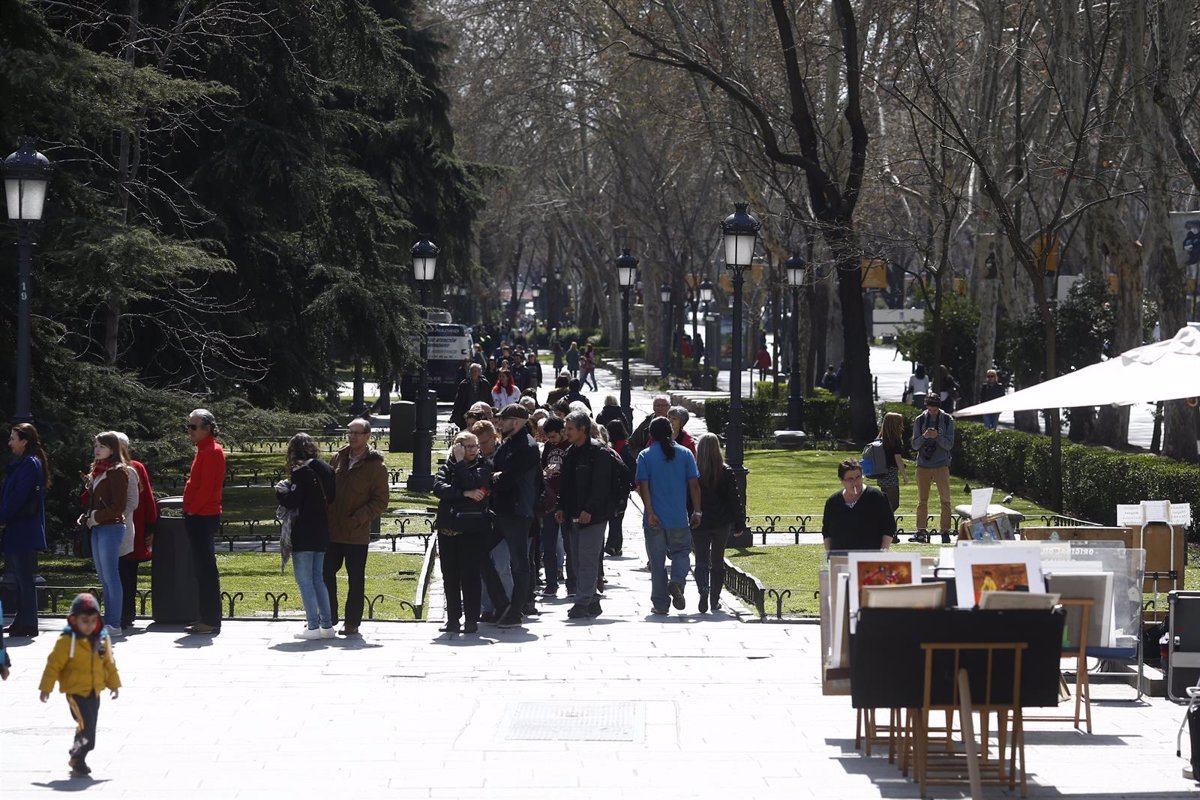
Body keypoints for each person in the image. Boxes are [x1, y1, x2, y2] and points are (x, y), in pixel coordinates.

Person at [38, 593, 121, 777]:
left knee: (88, 727)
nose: (89, 625)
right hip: (75, 691)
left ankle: (77, 753)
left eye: (93, 621)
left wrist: (113, 684)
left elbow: (108, 663)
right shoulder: (67, 641)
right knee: (87, 730)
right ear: (74, 620)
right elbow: (54, 664)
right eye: (85, 621)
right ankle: (77, 759)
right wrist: (46, 688)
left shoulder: (101, 639)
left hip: (94, 690)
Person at [324, 418, 389, 637]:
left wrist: (358, 518)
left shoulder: (376, 466)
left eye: (357, 433)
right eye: (349, 432)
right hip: (333, 530)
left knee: (355, 578)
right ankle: (329, 617)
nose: (352, 436)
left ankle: (352, 622)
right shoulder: (338, 457)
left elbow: (381, 501)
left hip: (356, 532)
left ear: (368, 436)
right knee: (325, 573)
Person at [636, 417, 701, 615]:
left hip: (654, 518)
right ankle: (678, 582)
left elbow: (643, 486)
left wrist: (650, 511)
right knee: (682, 552)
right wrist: (697, 511)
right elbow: (694, 485)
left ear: (650, 435)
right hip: (678, 517)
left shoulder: (645, 455)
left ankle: (661, 603)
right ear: (671, 432)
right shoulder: (685, 453)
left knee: (656, 562)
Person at [556, 410, 616, 620]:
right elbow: (566, 485)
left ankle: (581, 602)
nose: (566, 432)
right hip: (573, 514)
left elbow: (601, 486)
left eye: (570, 428)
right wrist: (561, 507)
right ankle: (591, 599)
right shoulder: (571, 452)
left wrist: (589, 509)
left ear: (583, 429)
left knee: (588, 559)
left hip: (593, 516)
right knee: (577, 560)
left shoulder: (598, 452)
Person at [276, 433, 337, 640]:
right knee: (318, 578)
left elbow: (293, 501)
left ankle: (312, 626)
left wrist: (281, 493)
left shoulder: (301, 473)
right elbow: (333, 497)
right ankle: (327, 626)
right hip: (322, 530)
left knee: (304, 581)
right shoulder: (326, 468)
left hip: (303, 531)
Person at [433, 432, 492, 634]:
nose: (472, 450)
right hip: (448, 529)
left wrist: (462, 486)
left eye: (474, 446)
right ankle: (452, 619)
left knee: (470, 576)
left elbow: (472, 483)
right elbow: (439, 489)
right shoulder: (447, 467)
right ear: (457, 447)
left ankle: (471, 619)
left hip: (471, 530)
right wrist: (464, 495)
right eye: (467, 446)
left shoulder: (484, 466)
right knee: (449, 576)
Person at [489, 404, 541, 627]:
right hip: (500, 510)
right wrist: (495, 476)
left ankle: (516, 610)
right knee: (480, 553)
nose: (499, 423)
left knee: (520, 564)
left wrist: (496, 477)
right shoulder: (508, 443)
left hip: (518, 512)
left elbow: (507, 479)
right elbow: (494, 469)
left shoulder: (527, 447)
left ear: (517, 422)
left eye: (504, 419)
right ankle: (502, 602)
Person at [78, 432, 133, 636]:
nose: (97, 449)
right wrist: (87, 517)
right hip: (98, 526)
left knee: (111, 576)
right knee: (103, 576)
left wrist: (96, 516)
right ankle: (109, 620)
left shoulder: (118, 471)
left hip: (111, 526)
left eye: (102, 446)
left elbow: (118, 506)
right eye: (96, 445)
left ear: (113, 448)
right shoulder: (98, 470)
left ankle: (114, 623)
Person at [0, 423, 49, 637]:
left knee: (24, 577)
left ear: (24, 441)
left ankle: (29, 622)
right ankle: (23, 620)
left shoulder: (29, 463)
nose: (10, 443)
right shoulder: (24, 463)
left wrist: (3, 517)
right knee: (21, 577)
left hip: (23, 526)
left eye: (13, 438)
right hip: (19, 525)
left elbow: (19, 496)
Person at [183, 409, 225, 635]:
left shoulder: (211, 451)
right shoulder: (204, 450)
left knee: (206, 569)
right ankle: (206, 617)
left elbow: (207, 488)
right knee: (202, 568)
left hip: (203, 515)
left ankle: (210, 620)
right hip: (199, 514)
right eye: (188, 426)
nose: (189, 430)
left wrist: (192, 511)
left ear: (207, 428)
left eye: (193, 426)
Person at [692, 434, 744, 612]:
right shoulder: (726, 471)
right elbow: (734, 499)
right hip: (721, 522)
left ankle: (703, 592)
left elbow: (688, 497)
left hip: (700, 521)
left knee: (701, 559)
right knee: (717, 560)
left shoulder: (694, 471)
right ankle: (714, 598)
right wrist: (739, 523)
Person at [114, 433, 157, 632]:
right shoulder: (106, 469)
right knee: (124, 571)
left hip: (133, 526)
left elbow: (147, 498)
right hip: (129, 526)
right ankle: (124, 613)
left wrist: (150, 526)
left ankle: (125, 613)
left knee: (128, 570)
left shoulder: (135, 468)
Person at [821, 458, 895, 552]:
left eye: (858, 477)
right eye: (850, 479)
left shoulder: (877, 498)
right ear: (841, 480)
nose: (855, 483)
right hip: (840, 560)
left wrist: (882, 553)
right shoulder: (833, 502)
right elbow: (826, 532)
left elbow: (889, 527)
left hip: (869, 560)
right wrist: (830, 555)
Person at [911, 395, 956, 543]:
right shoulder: (920, 420)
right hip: (923, 465)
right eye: (930, 409)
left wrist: (937, 436)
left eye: (935, 410)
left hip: (941, 464)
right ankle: (921, 530)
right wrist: (924, 436)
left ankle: (945, 531)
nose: (932, 412)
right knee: (922, 500)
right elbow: (915, 445)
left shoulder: (947, 420)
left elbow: (949, 445)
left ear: (939, 407)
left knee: (945, 500)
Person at [538, 417, 569, 596]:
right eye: (548, 437)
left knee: (569, 544)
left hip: (566, 500)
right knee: (549, 545)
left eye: (554, 436)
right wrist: (545, 473)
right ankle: (551, 584)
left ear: (562, 431)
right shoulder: (548, 448)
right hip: (549, 501)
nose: (551, 440)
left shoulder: (570, 447)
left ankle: (572, 584)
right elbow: (542, 468)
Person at [603, 419, 635, 557]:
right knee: (618, 517)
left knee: (611, 516)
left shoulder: (608, 448)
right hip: (622, 488)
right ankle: (615, 545)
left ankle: (612, 544)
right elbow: (632, 466)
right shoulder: (626, 448)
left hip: (610, 486)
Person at [874, 412, 908, 512]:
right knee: (893, 504)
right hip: (891, 474)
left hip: (881, 474)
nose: (902, 425)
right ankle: (883, 523)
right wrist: (904, 475)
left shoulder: (880, 439)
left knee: (886, 502)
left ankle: (882, 523)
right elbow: (898, 460)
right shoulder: (894, 440)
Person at [453, 363, 493, 429]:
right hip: (467, 413)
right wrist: (455, 415)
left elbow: (489, 399)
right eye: (471, 371)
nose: (473, 373)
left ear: (479, 372)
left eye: (475, 371)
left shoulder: (485, 384)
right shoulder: (464, 384)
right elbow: (458, 401)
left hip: (481, 414)